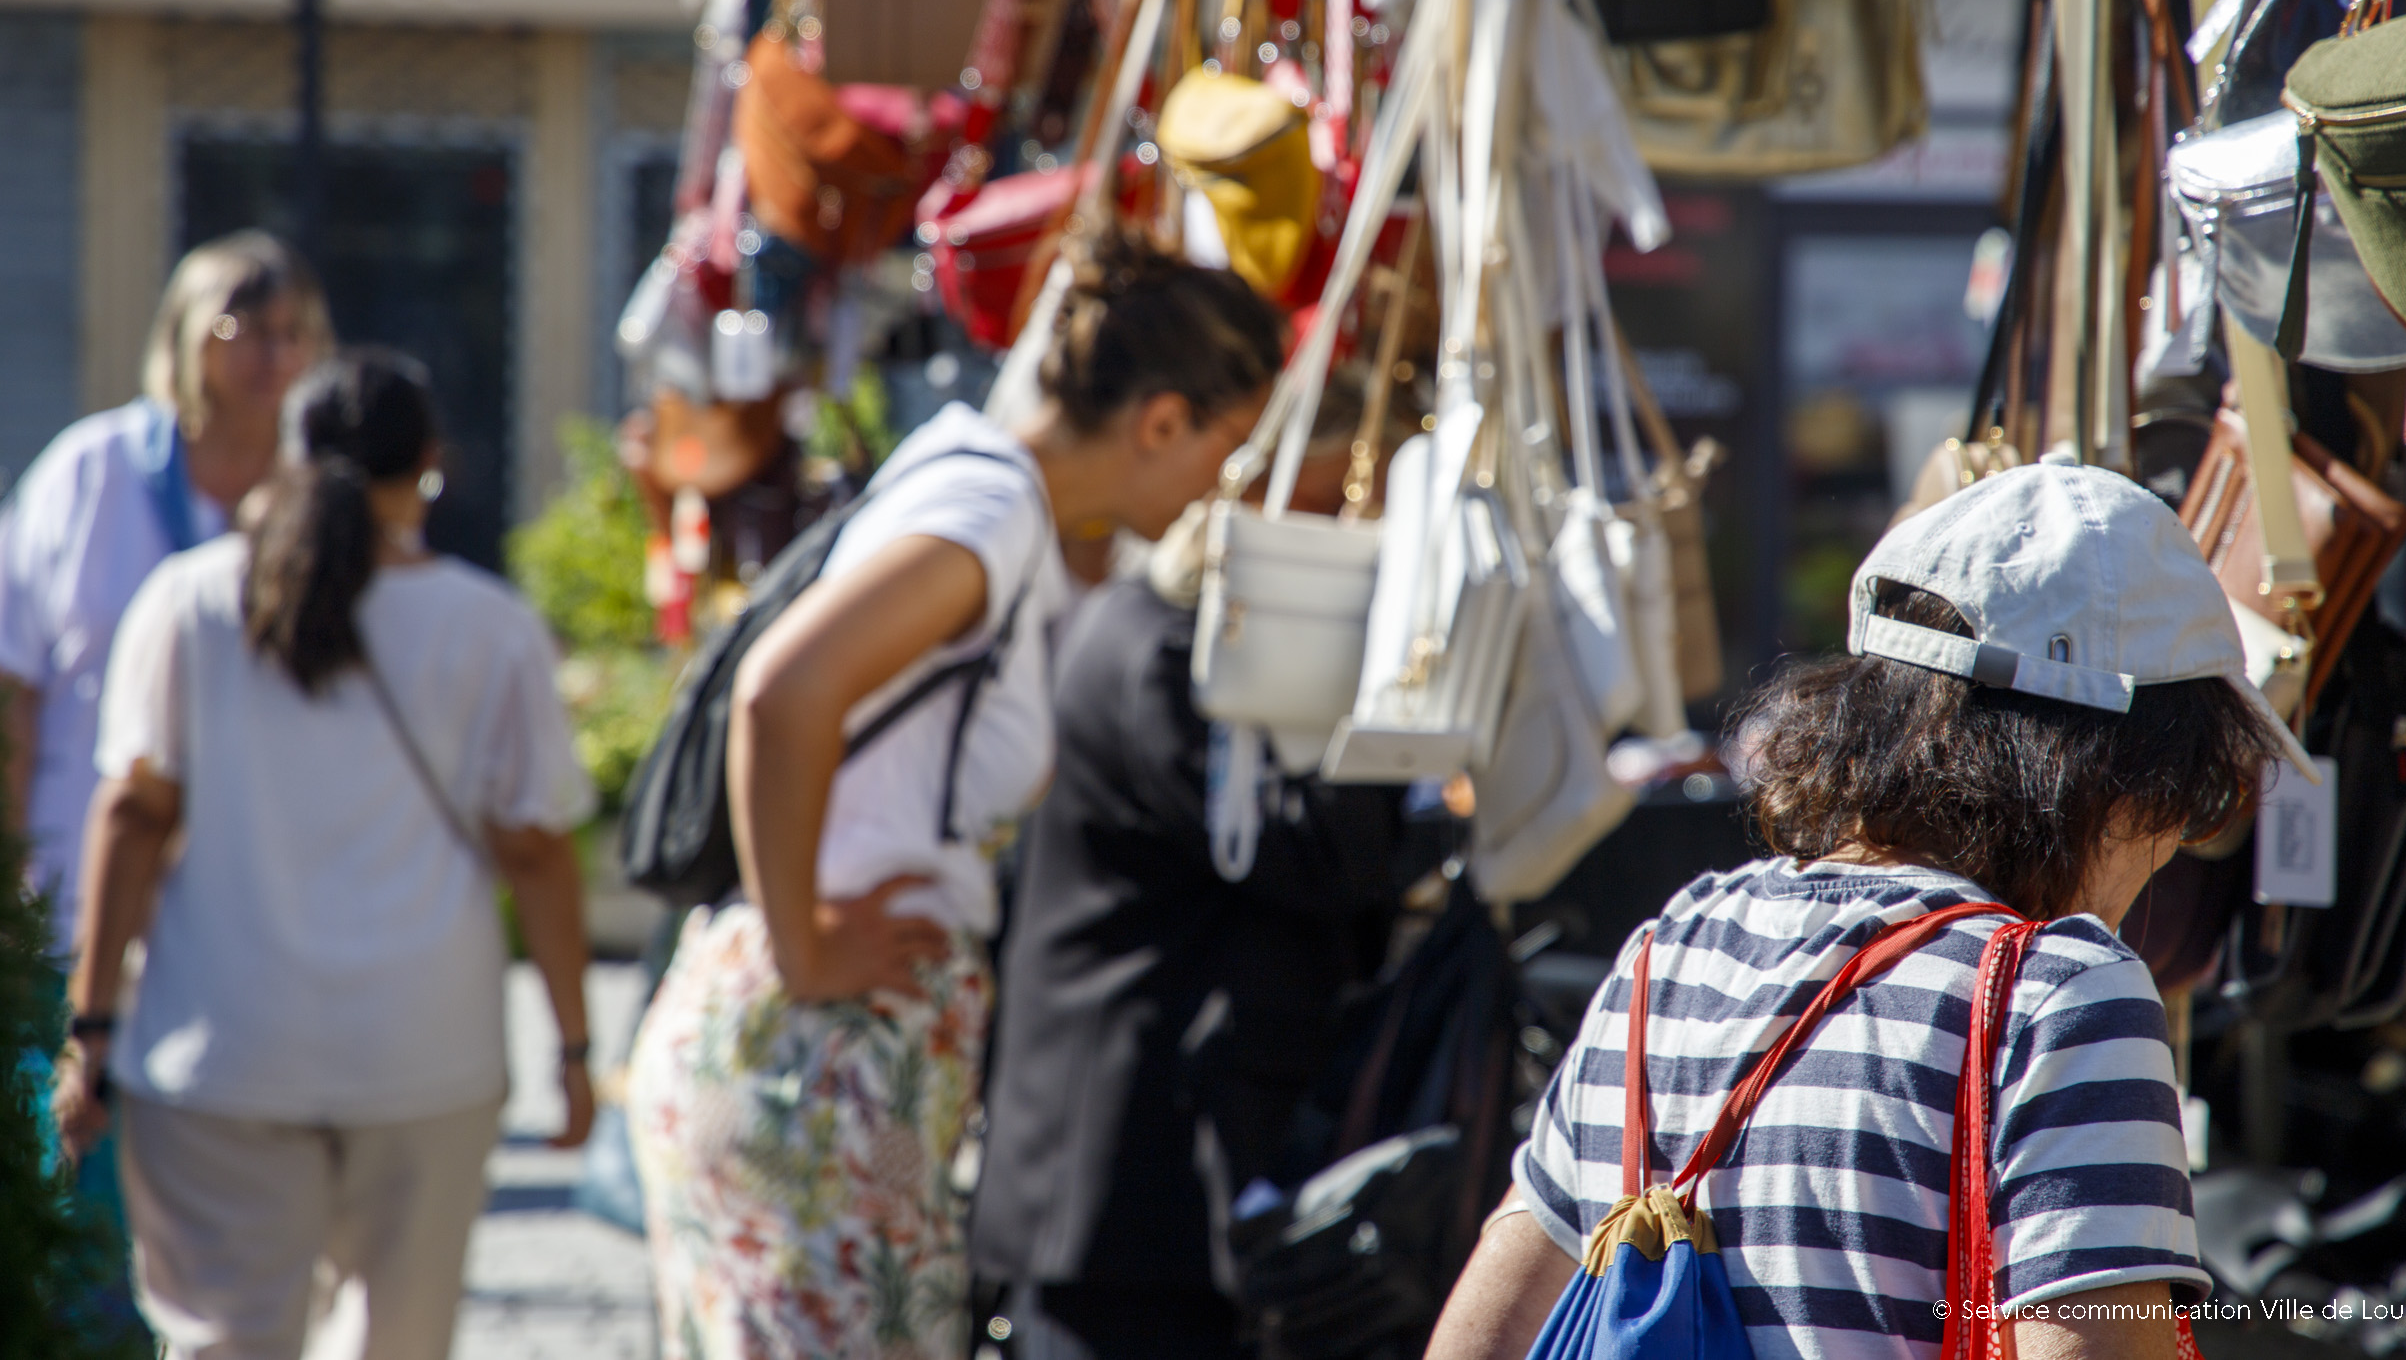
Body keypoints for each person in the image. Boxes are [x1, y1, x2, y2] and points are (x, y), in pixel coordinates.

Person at [1427, 459, 2318, 1360]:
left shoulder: (1670, 952)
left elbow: (1476, 1342)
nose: (2174, 843)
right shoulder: (2060, 995)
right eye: (2198, 798)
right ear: (2114, 774)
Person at [627, 238, 1286, 1360]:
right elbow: (782, 693)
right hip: (815, 1047)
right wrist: (807, 949)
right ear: (1162, 419)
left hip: (835, 1056)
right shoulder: (987, 510)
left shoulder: (989, 493)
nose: (1218, 491)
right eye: (1225, 449)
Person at [51, 351, 596, 1360]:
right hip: (425, 1053)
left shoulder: (189, 604)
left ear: (289, 456)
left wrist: (90, 1026)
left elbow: (132, 816)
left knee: (224, 1341)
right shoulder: (491, 628)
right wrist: (572, 1048)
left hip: (217, 1050)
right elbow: (537, 851)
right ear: (429, 463)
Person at [970, 373, 1413, 1359]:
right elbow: (1309, 858)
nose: (1342, 544)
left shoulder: (1167, 634)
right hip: (1121, 1191)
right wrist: (1378, 698)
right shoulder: (1155, 647)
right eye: (1324, 511)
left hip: (1150, 1189)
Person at [0, 229, 327, 1338]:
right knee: (78, 1204)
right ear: (185, 337)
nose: (273, 355)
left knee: (222, 1234)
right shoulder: (92, 473)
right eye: (247, 326)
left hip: (243, 922)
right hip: (70, 900)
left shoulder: (312, 502)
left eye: (295, 333)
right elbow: (14, 690)